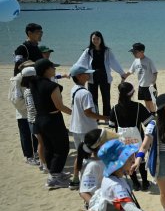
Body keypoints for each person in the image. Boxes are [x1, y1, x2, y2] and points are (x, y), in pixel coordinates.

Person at [31, 58, 73, 189]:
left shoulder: (33, 82)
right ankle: (54, 178)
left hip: (40, 119)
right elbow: (59, 106)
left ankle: (54, 173)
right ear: (46, 70)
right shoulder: (51, 86)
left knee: (49, 146)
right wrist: (73, 113)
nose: (55, 69)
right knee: (62, 147)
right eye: (52, 68)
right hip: (52, 119)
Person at [68, 65, 108, 189]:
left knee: (80, 155)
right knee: (94, 155)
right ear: (79, 76)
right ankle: (92, 180)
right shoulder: (85, 93)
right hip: (87, 129)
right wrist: (105, 118)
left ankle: (75, 179)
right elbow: (88, 113)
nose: (89, 75)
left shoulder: (74, 89)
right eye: (86, 73)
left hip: (76, 127)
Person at [109, 82, 151, 191]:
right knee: (140, 159)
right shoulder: (138, 106)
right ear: (132, 93)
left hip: (123, 139)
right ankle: (145, 183)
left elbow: (112, 125)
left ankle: (136, 184)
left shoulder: (115, 108)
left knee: (129, 161)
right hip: (138, 137)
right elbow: (148, 123)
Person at [75, 31, 128, 117]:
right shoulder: (88, 51)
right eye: (93, 39)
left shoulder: (107, 51)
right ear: (91, 40)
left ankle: (107, 116)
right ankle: (95, 117)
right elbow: (80, 62)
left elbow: (114, 62)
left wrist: (121, 73)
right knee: (93, 99)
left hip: (104, 76)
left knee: (106, 98)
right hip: (92, 77)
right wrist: (73, 72)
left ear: (101, 39)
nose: (95, 40)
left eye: (97, 39)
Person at [10, 61, 38, 165]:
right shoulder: (16, 80)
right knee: (25, 135)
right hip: (23, 113)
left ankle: (36, 153)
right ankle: (28, 156)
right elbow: (15, 100)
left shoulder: (32, 77)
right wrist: (29, 107)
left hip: (34, 112)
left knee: (35, 134)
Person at [126, 42, 158, 113]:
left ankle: (153, 114)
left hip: (149, 85)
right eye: (133, 52)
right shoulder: (136, 61)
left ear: (142, 52)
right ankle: (149, 113)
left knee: (151, 101)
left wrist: (153, 83)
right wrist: (124, 76)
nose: (133, 54)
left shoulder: (149, 61)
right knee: (146, 101)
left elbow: (155, 73)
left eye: (135, 52)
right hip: (141, 85)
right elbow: (131, 71)